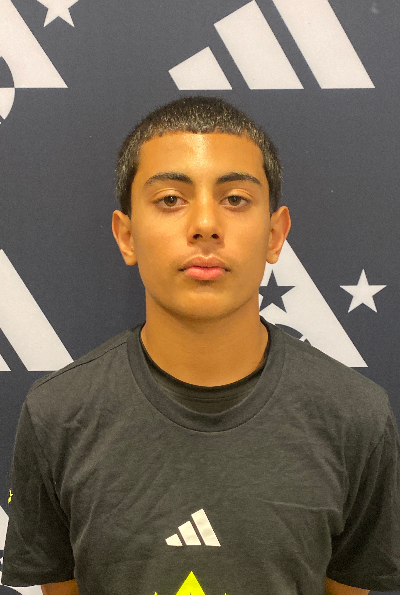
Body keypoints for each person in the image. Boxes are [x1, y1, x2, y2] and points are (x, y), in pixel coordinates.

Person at [2, 97, 400, 595]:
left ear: (274, 234)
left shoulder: (355, 417)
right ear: (127, 236)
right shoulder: (59, 415)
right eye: (171, 199)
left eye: (235, 199)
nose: (206, 224)